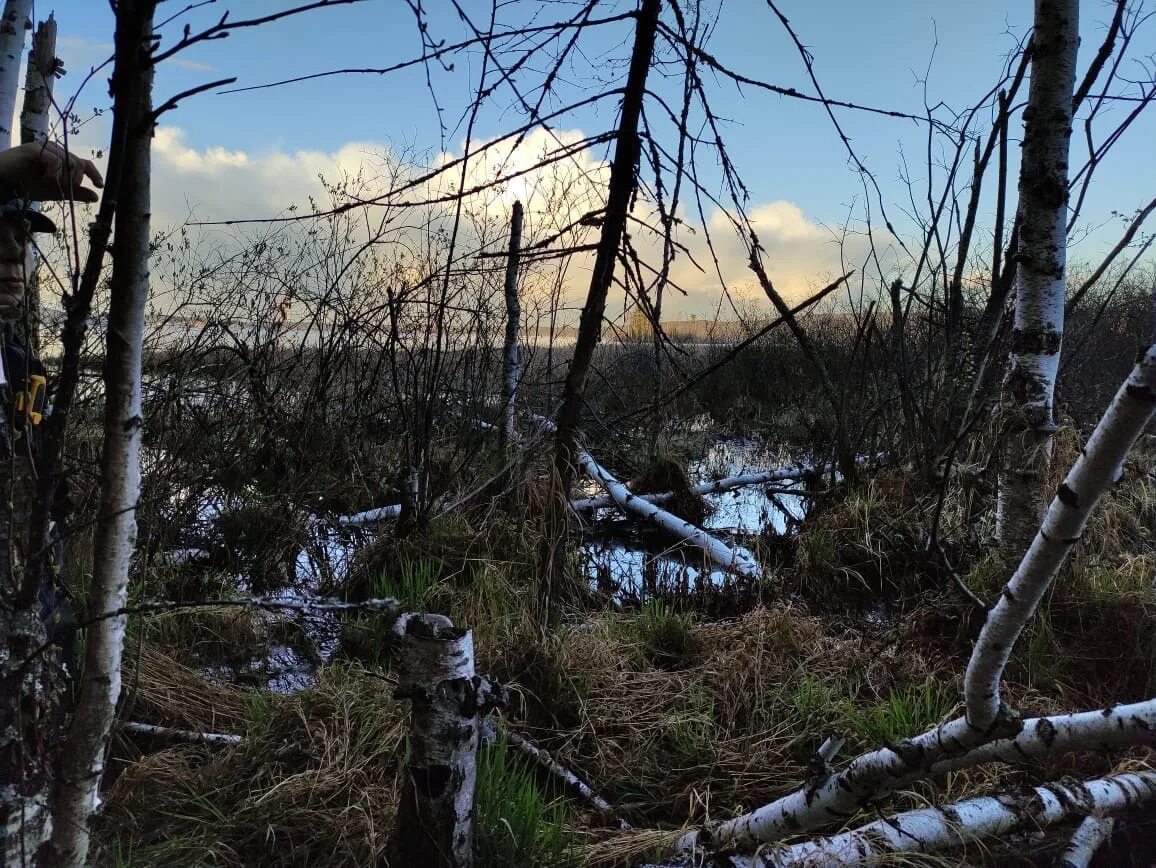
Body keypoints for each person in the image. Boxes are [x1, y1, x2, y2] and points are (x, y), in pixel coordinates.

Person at [0, 141, 102, 641]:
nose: (14, 252)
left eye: (21, 235)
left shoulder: (17, 362)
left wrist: (56, 627)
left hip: (29, 636)